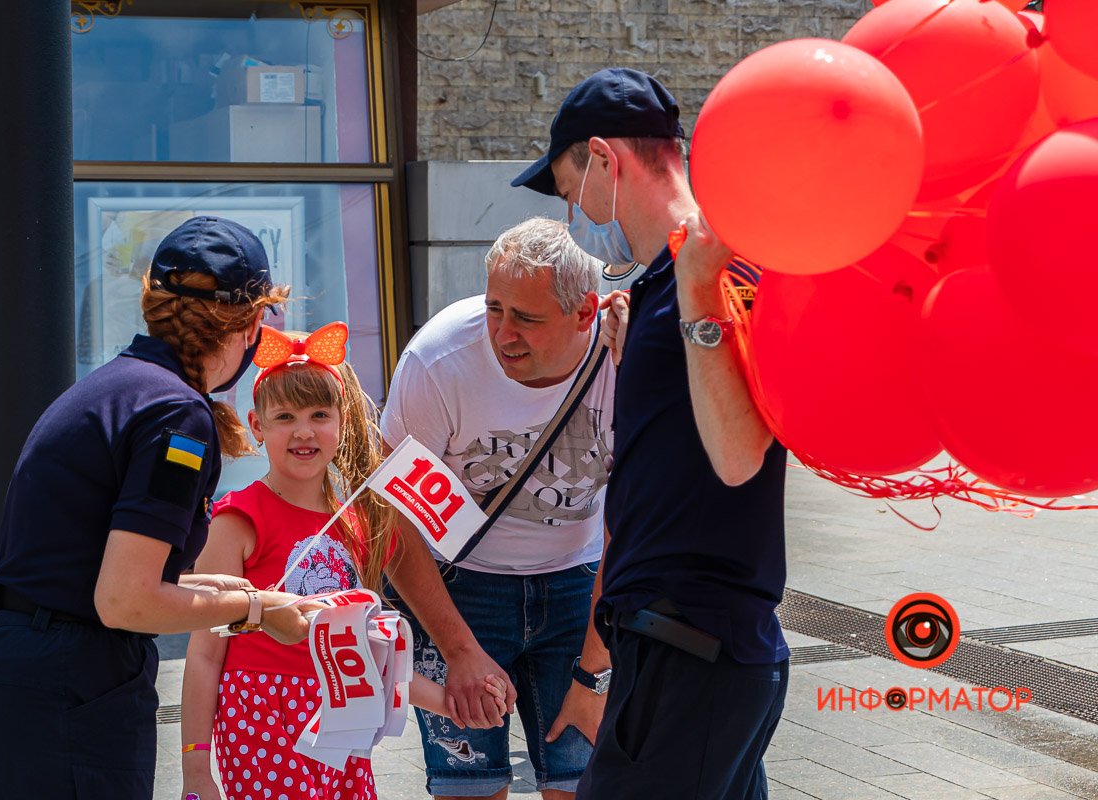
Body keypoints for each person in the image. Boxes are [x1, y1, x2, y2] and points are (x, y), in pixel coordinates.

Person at [0, 216, 321, 800]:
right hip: (67, 692)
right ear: (249, 325)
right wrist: (255, 607)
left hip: (19, 677)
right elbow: (125, 599)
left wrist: (256, 595)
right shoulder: (175, 414)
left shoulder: (119, 386)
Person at [511, 67, 789, 799]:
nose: (574, 211)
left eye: (571, 189)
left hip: (692, 646)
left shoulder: (716, 267)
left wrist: (698, 297)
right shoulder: (659, 285)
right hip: (682, 644)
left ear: (605, 158)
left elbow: (739, 458)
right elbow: (683, 446)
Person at [179, 326, 508, 800]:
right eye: (285, 416)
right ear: (257, 425)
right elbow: (204, 652)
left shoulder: (355, 520)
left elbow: (369, 654)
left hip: (345, 719)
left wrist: (452, 705)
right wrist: (194, 766)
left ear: (342, 421)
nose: (304, 430)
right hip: (262, 719)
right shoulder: (239, 518)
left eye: (319, 414)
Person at [380, 217, 616, 800]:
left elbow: (635, 527)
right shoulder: (437, 360)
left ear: (586, 312)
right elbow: (392, 521)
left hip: (578, 589)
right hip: (460, 590)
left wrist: (595, 670)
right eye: (493, 309)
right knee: (470, 790)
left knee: (579, 786)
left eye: (526, 319)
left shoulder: (627, 357)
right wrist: (458, 648)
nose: (502, 334)